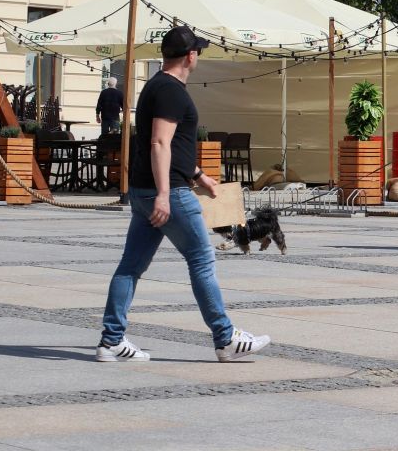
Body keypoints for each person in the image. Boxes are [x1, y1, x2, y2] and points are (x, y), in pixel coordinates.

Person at [98, 26, 269, 363]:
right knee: (201, 260)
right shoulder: (171, 91)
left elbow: (173, 146)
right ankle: (225, 338)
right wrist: (165, 194)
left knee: (130, 267)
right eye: (198, 51)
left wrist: (199, 175)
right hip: (169, 193)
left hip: (146, 190)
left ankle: (111, 342)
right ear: (190, 56)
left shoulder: (155, 86)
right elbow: (159, 143)